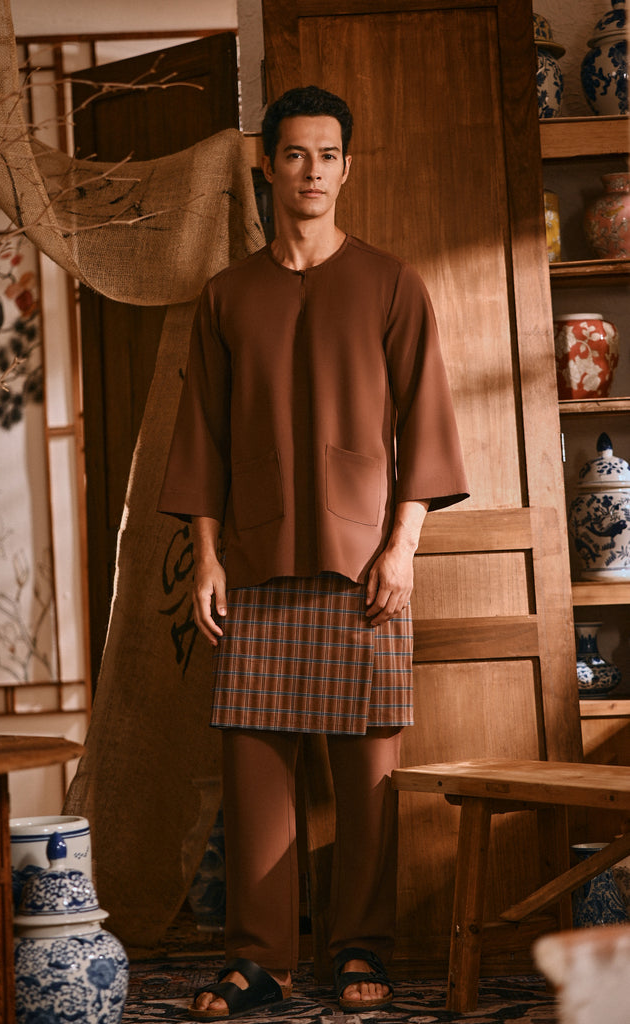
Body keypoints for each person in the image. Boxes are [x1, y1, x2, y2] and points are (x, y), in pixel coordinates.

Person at [158, 84, 469, 1020]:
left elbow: (426, 425)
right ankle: (259, 959)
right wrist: (207, 556)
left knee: (369, 774)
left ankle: (361, 944)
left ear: (347, 167)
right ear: (268, 166)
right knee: (254, 767)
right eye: (295, 154)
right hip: (253, 563)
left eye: (328, 155)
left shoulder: (392, 284)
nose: (312, 171)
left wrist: (403, 547)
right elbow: (203, 436)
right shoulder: (227, 295)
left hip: (366, 565)